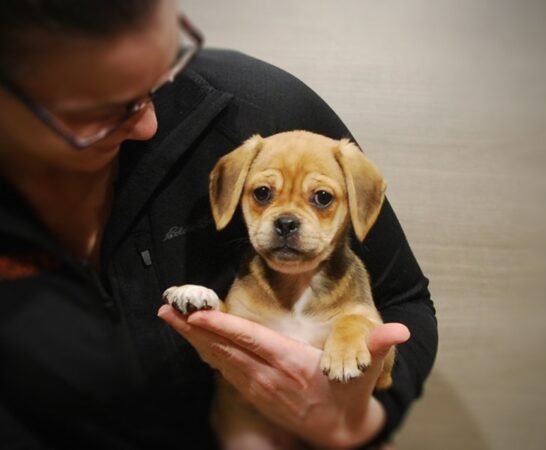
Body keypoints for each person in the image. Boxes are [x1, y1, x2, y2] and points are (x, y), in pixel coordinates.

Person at [0, 0, 438, 448]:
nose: (149, 123)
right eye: (101, 109)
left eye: (162, 72)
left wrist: (353, 423)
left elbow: (403, 301)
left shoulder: (264, 110)